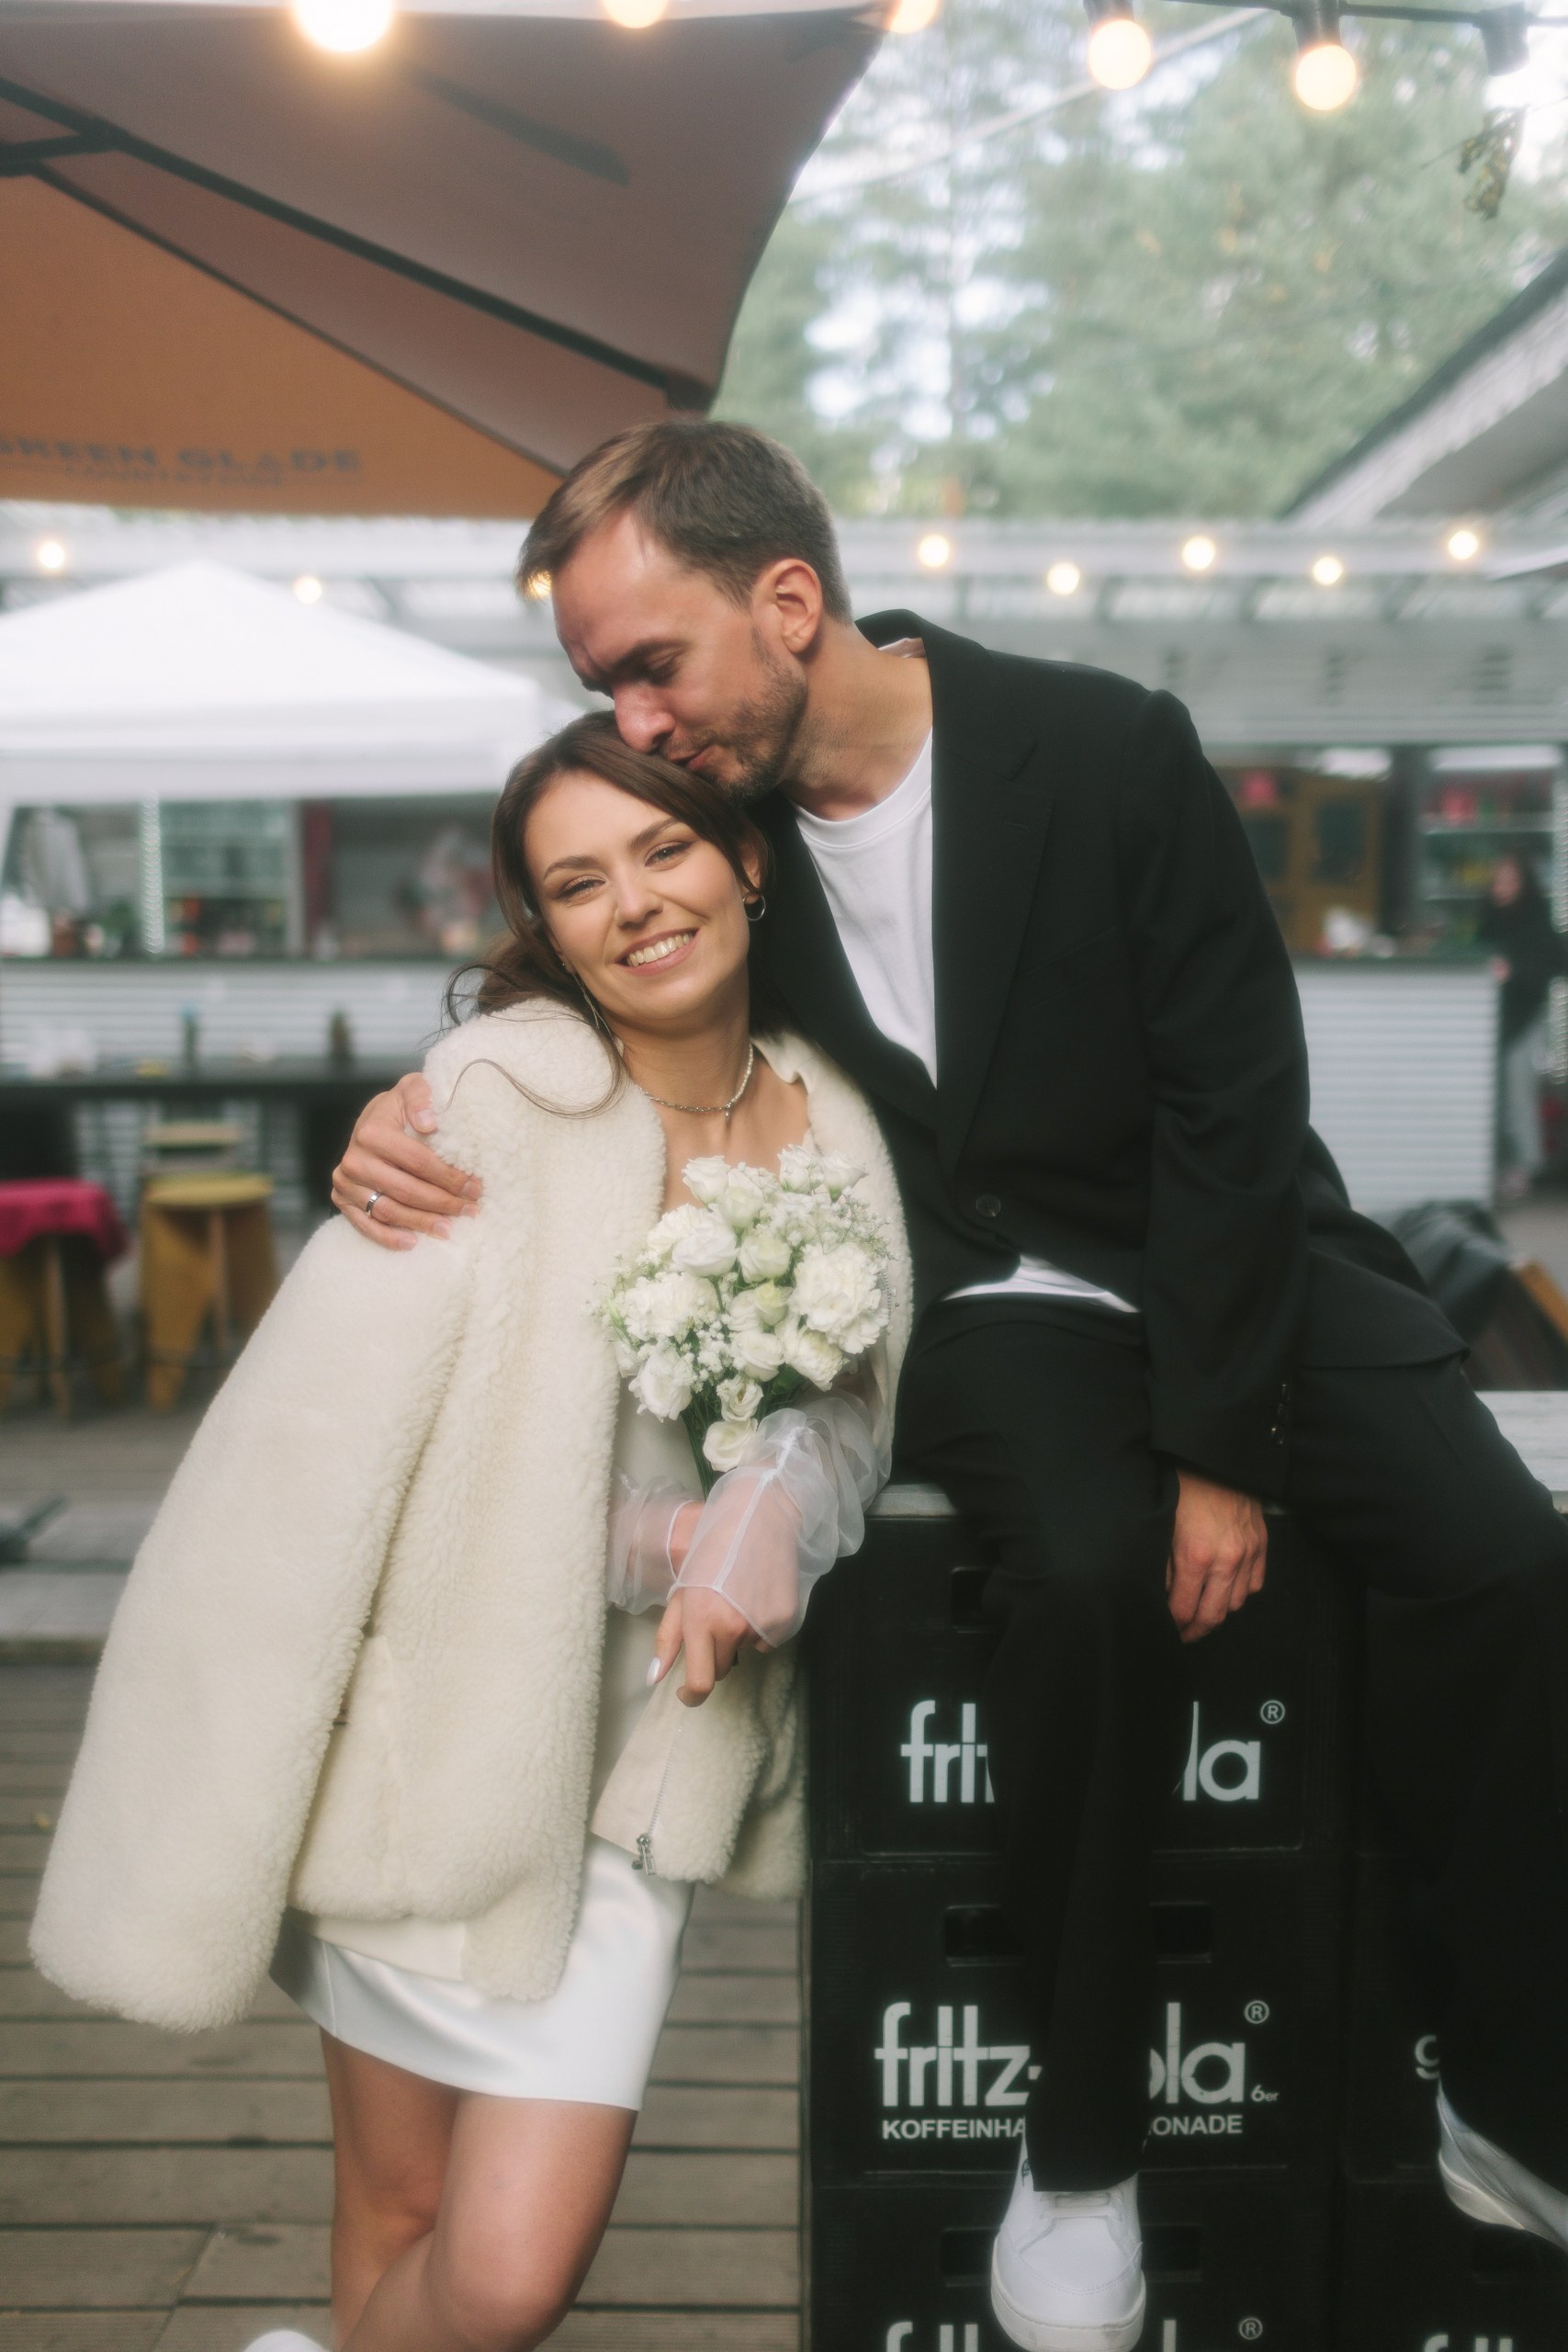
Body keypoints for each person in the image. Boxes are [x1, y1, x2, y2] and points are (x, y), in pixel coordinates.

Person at [340, 420, 1568, 2352]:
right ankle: (1076, 2148)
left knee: (1503, 1554)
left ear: (788, 599)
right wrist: (405, 1116)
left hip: (1223, 1247)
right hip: (983, 1303)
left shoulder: (1102, 745)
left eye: (649, 666)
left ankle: (1500, 2084)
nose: (634, 722)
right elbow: (586, 983)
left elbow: (1233, 1094)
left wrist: (1218, 1445)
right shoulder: (722, 840)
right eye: (602, 687)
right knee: (1077, 1572)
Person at [28, 714, 910, 2352]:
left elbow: (855, 1404)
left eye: (661, 849)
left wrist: (775, 1496)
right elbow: (342, 1459)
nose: (632, 904)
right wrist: (670, 1534)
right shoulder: (493, 1106)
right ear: (545, 929)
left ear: (746, 860)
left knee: (506, 2268)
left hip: (636, 1771)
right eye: (576, 884)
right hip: (430, 1750)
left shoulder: (842, 1125)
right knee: (406, 2214)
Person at [1477, 851, 1566, 1200]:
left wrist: (1512, 970)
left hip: (1525, 1020)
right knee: (1501, 1097)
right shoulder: (1491, 919)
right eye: (1497, 881)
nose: (1500, 888)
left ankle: (1525, 1167)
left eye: (1509, 881)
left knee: (1517, 1096)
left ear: (1523, 884)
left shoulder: (1535, 923)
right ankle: (1509, 1167)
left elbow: (1551, 965)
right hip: (1495, 1020)